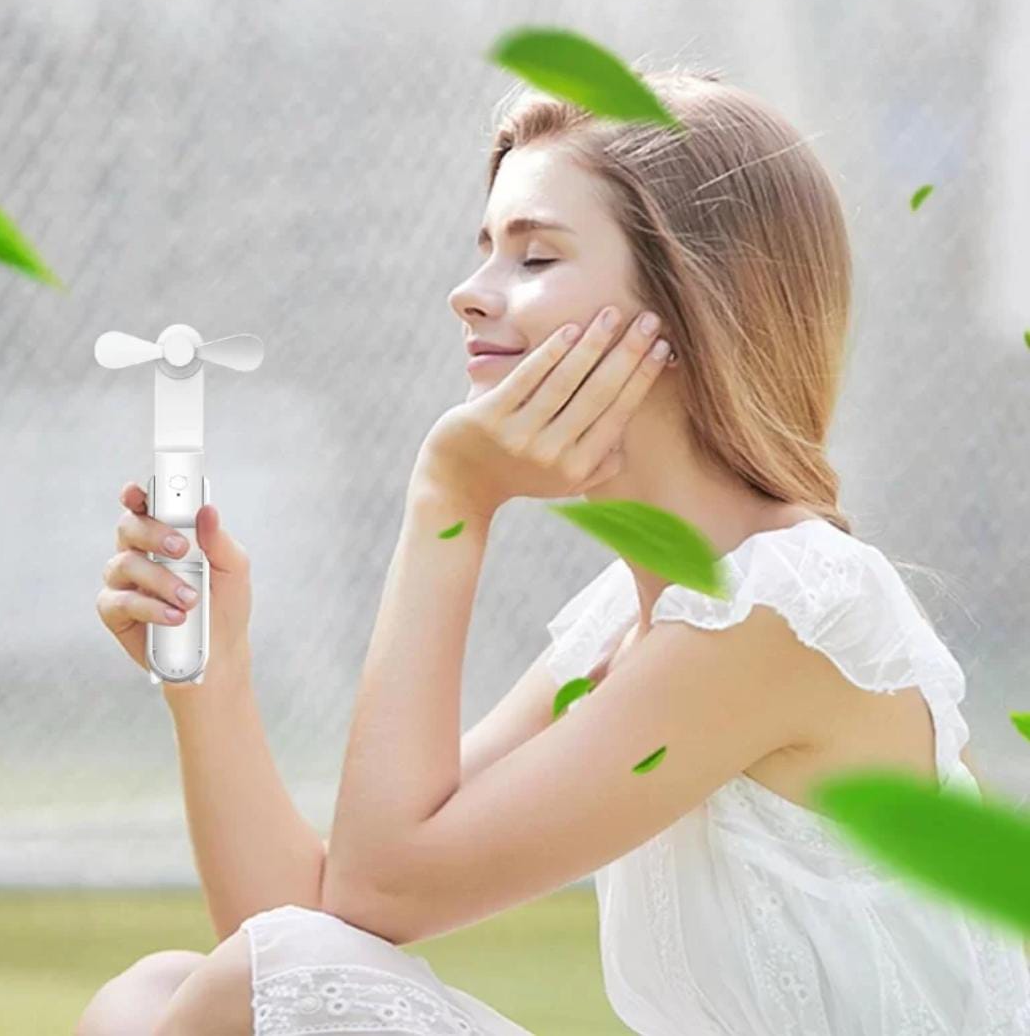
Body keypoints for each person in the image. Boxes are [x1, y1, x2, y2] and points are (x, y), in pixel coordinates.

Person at [82, 65, 1030, 1036]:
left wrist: (449, 498)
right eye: (485, 248)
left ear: (696, 302)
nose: (468, 292)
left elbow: (372, 893)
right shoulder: (636, 614)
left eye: (533, 258)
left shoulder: (788, 609)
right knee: (151, 992)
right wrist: (212, 678)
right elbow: (309, 929)